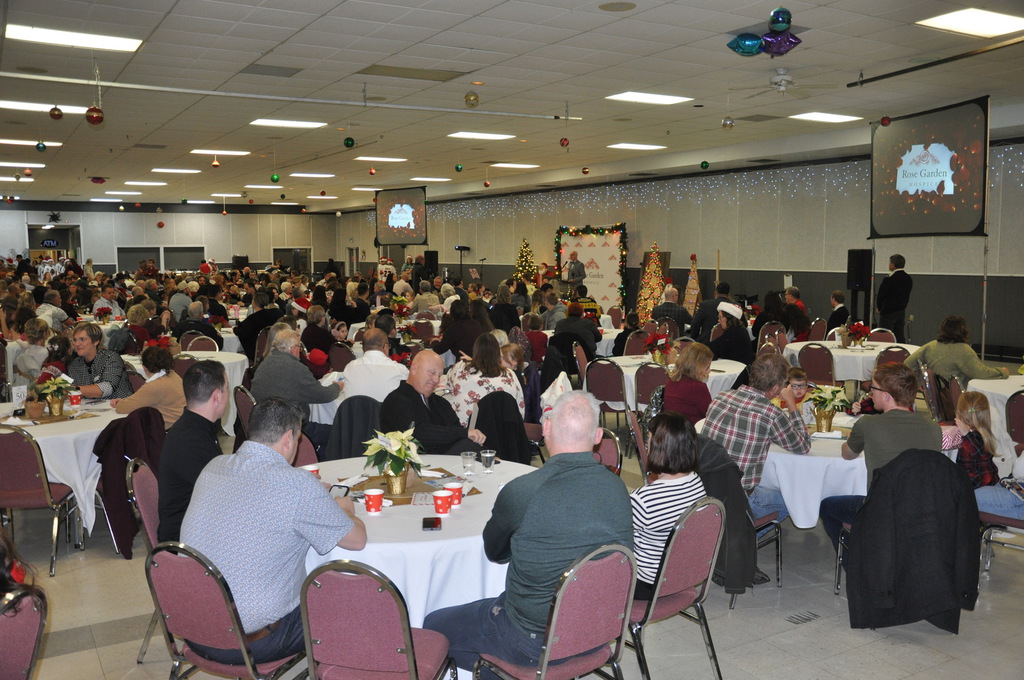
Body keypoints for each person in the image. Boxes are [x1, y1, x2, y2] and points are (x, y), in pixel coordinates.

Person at [423, 391, 632, 675]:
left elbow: (496, 553)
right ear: (597, 436)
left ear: (546, 428)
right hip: (599, 629)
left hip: (532, 641)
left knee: (433, 626)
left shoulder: (523, 491)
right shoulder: (618, 488)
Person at [180, 398, 366, 665]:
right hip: (251, 642)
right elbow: (357, 541)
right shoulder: (297, 485)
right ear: (289, 438)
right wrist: (345, 509)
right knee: (353, 598)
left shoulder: (214, 466)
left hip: (192, 626)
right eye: (298, 439)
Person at [818, 362, 942, 549]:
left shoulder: (868, 424)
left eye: (873, 388)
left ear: (886, 395)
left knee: (827, 506)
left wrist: (851, 439)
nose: (870, 393)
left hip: (882, 510)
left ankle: (852, 560)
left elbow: (847, 455)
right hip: (923, 510)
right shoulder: (934, 428)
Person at [703, 353, 811, 523]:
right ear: (775, 389)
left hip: (705, 489)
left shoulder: (720, 398)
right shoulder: (771, 414)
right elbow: (803, 446)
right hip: (739, 498)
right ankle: (741, 534)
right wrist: (791, 403)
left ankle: (728, 532)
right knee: (794, 499)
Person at [631, 412, 706, 599]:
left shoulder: (644, 500)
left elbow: (615, 537)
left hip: (647, 584)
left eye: (649, 440)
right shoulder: (697, 482)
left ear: (659, 449)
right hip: (682, 576)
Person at [157, 361, 228, 543]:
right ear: (217, 396)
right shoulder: (190, 442)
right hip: (188, 541)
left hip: (196, 526)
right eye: (227, 389)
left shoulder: (196, 428)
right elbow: (224, 498)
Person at [251, 329, 343, 452]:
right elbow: (324, 395)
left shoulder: (264, 364)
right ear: (293, 348)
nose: (300, 351)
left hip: (264, 426)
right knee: (340, 432)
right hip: (291, 428)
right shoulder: (296, 368)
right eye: (299, 347)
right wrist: (337, 386)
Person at [380, 350, 486, 455]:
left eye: (439, 375)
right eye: (432, 373)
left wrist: (466, 435)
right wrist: (463, 433)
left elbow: (456, 431)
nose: (436, 380)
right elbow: (416, 434)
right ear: (414, 369)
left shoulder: (441, 403)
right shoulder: (395, 401)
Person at [446, 333, 525, 427]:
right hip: (503, 431)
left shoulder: (460, 368)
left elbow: (448, 389)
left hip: (468, 430)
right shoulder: (509, 374)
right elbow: (520, 410)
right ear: (498, 353)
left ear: (475, 351)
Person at [904, 315, 1008, 385]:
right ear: (963, 331)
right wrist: (1001, 372)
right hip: (956, 397)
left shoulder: (931, 345)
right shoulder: (964, 350)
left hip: (936, 394)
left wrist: (921, 382)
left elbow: (907, 364)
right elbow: (980, 373)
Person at [111, 345, 186, 427]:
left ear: (144, 367)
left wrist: (122, 403)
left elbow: (122, 408)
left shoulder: (155, 386)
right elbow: (143, 399)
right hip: (180, 424)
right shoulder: (173, 375)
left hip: (166, 428)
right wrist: (125, 400)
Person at [341, 328, 409, 402]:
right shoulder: (400, 370)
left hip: (356, 409)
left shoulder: (350, 368)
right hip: (387, 409)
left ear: (363, 347)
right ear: (385, 346)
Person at [68, 322, 133, 399]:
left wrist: (72, 389)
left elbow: (107, 388)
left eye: (82, 339)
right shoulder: (75, 365)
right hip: (89, 405)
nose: (77, 344)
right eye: (75, 340)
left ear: (96, 341)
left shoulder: (110, 358)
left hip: (119, 404)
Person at [953, 391, 999, 489]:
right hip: (990, 481)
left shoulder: (971, 439)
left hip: (978, 487)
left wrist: (966, 435)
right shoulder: (983, 432)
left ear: (959, 413)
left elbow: (974, 450)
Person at [663, 341, 713, 424]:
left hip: (671, 428)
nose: (709, 371)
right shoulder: (698, 387)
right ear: (698, 367)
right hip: (691, 429)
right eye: (707, 367)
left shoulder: (671, 382)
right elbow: (709, 414)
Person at [234, 291, 284, 360]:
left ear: (254, 302)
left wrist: (235, 329)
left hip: (256, 349)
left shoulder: (252, 318)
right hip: (274, 346)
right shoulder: (276, 313)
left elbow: (242, 332)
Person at [876, 253, 912, 343]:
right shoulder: (908, 279)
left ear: (893, 265)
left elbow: (881, 296)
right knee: (899, 335)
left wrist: (880, 308)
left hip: (888, 312)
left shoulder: (889, 279)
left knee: (885, 336)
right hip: (901, 311)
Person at [12, 318, 51, 387]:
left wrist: (18, 340)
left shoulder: (25, 352)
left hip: (21, 388)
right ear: (45, 334)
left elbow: (27, 345)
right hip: (41, 390)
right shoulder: (48, 355)